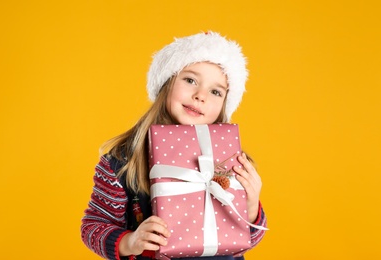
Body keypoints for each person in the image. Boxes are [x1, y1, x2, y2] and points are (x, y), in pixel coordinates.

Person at [81, 31, 267, 260]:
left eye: (215, 91)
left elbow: (245, 241)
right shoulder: (122, 162)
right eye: (190, 80)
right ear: (166, 83)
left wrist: (250, 207)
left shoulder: (232, 161)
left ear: (224, 106)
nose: (200, 96)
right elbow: (94, 226)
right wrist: (129, 242)